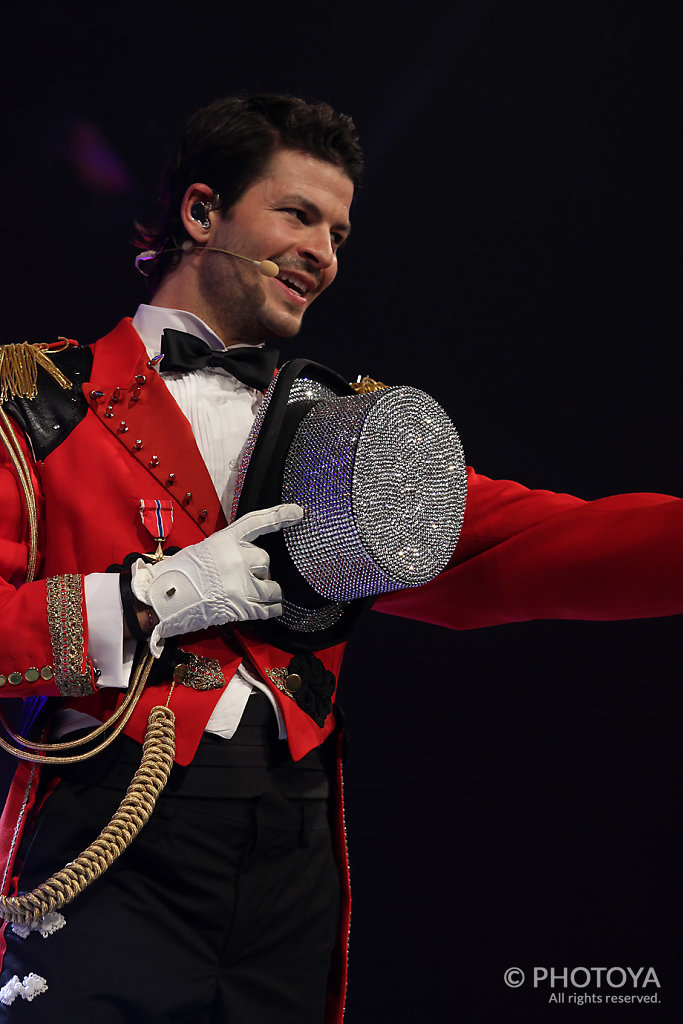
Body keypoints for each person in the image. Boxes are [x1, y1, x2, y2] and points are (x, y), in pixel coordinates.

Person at [0, 93, 681, 1023]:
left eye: (339, 232)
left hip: (292, 845)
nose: (323, 252)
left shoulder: (343, 438)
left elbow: (541, 544)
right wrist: (156, 595)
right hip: (110, 831)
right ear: (201, 214)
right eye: (297, 214)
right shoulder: (38, 403)